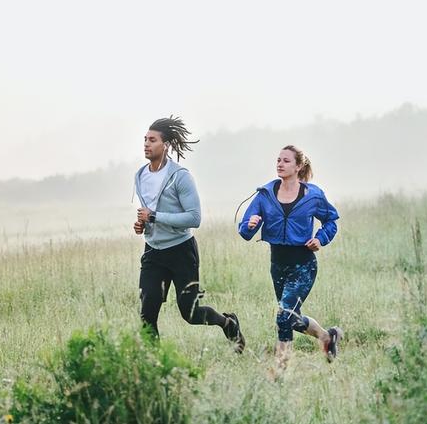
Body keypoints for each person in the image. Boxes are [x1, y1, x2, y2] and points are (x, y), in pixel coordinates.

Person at [133, 116, 246, 353]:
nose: (146, 144)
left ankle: (228, 323)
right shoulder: (140, 176)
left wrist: (154, 216)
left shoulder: (180, 176)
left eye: (152, 140)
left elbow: (194, 218)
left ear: (165, 145)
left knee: (191, 313)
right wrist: (143, 225)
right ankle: (155, 366)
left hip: (181, 251)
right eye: (144, 139)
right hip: (153, 252)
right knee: (147, 311)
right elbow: (149, 211)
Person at [238, 145, 342, 368]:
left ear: (298, 166)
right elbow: (245, 232)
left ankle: (280, 368)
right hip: (278, 264)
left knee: (283, 316)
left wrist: (320, 239)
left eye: (286, 161)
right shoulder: (265, 195)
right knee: (292, 319)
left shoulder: (313, 195)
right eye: (278, 160)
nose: (280, 164)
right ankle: (327, 337)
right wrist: (251, 224)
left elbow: (331, 220)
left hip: (303, 263)